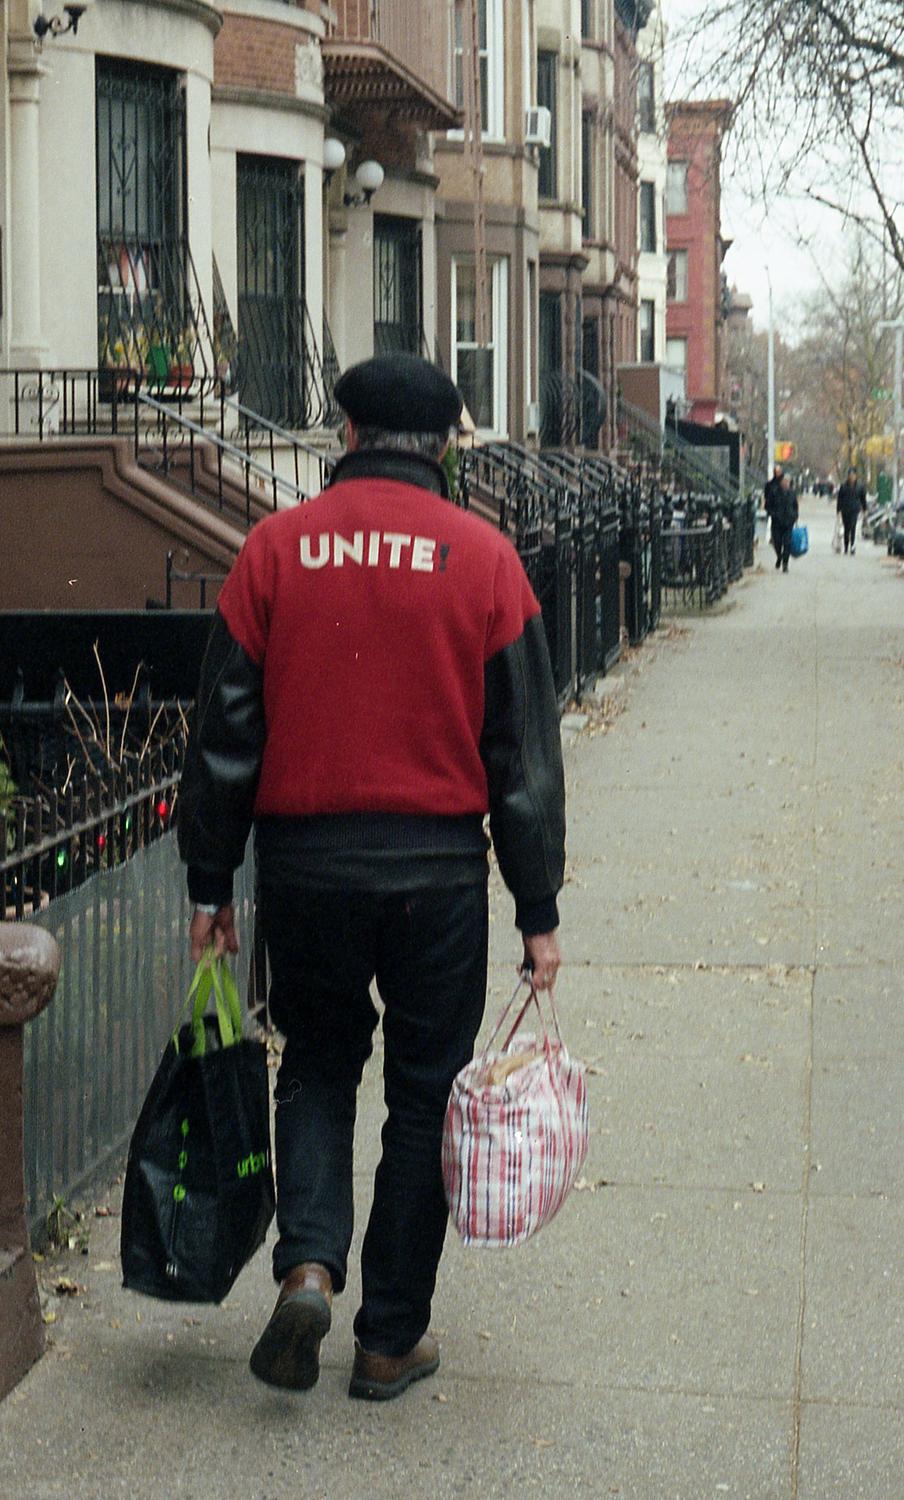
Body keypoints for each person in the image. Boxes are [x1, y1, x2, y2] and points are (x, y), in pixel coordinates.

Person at [177, 352, 566, 1403]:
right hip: (437, 874)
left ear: (347, 435)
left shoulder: (274, 552)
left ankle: (308, 1264)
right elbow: (521, 757)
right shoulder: (487, 562)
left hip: (306, 868)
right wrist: (537, 908)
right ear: (443, 447)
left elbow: (223, 735)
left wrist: (210, 884)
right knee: (424, 1096)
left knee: (314, 1063)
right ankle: (389, 1338)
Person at [769, 474, 799, 572]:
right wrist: (773, 514)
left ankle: (785, 564)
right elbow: (768, 505)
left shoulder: (792, 493)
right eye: (784, 481)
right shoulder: (774, 492)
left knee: (787, 543)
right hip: (777, 522)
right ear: (781, 482)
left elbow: (795, 506)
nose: (786, 483)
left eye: (787, 482)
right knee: (777, 542)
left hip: (788, 522)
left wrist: (795, 516)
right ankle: (779, 556)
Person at [836, 466, 867, 555]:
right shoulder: (843, 486)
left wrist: (865, 509)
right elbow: (840, 499)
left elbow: (863, 499)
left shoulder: (860, 486)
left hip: (855, 510)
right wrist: (838, 511)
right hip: (845, 510)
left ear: (855, 476)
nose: (852, 477)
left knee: (853, 527)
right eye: (850, 475)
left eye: (853, 475)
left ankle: (852, 545)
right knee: (846, 528)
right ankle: (846, 546)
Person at [763, 463, 785, 562]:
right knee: (776, 538)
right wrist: (770, 511)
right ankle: (779, 555)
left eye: (779, 472)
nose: (777, 473)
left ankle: (784, 557)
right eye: (776, 472)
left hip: (785, 515)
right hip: (775, 515)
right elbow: (766, 499)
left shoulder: (785, 484)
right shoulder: (770, 485)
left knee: (785, 538)